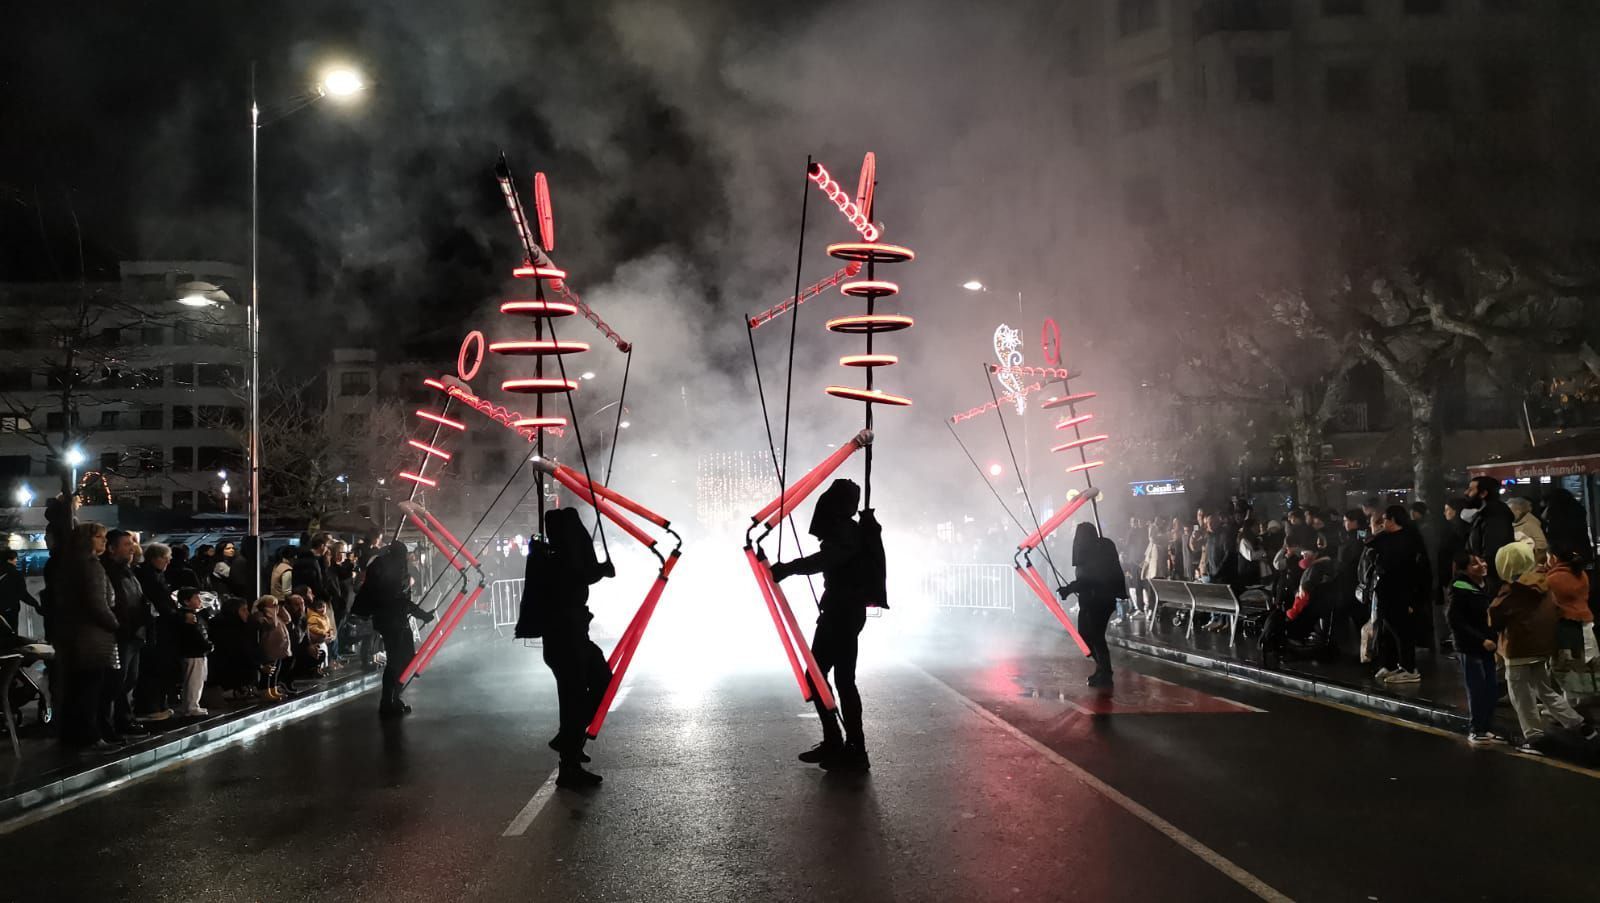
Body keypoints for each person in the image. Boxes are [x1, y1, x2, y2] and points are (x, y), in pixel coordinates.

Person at [770, 478, 877, 770]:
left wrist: (788, 569)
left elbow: (827, 559)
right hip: (843, 612)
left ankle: (845, 746)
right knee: (837, 679)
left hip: (841, 614)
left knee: (822, 678)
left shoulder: (845, 530)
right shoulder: (850, 529)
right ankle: (847, 747)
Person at [526, 508, 617, 787]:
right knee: (574, 700)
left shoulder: (554, 555)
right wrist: (602, 569)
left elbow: (580, 572)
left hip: (573, 638)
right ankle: (569, 761)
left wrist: (598, 570)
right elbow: (578, 575)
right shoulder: (556, 558)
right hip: (566, 640)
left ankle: (569, 741)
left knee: (599, 684)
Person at [1489, 542, 1593, 755]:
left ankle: (1533, 737)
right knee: (1544, 689)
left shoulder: (1512, 590)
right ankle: (1577, 723)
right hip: (1541, 647)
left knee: (1520, 694)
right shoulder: (1544, 583)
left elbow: (1494, 617)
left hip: (1517, 649)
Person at [57, 522, 122, 750]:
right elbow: (97, 603)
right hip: (92, 639)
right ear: (87, 540)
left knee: (79, 689)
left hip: (78, 636)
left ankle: (75, 735)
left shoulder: (72, 564)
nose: (104, 541)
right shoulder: (91, 565)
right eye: (99, 537)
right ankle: (89, 736)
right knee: (89, 690)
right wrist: (115, 624)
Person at [353, 539, 434, 717]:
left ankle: (393, 699)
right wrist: (422, 615)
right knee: (398, 662)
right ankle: (389, 701)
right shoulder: (394, 568)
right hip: (394, 621)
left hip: (387, 620)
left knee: (401, 660)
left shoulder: (381, 566)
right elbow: (400, 599)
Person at [1056, 522, 1127, 688]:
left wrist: (1068, 589)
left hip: (1098, 600)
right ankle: (1101, 669)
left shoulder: (1095, 550)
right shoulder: (1102, 546)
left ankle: (1106, 672)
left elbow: (1088, 580)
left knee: (1095, 637)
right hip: (1095, 600)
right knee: (1087, 636)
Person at [1446, 552, 1504, 745]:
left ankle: (1486, 728)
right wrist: (1481, 640)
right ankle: (1477, 728)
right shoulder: (1459, 588)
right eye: (1474, 564)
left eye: (1481, 561)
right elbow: (1455, 620)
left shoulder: (1484, 586)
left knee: (1490, 688)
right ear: (1464, 570)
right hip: (1471, 646)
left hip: (1488, 645)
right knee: (1477, 688)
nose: (1482, 565)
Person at [1369, 505, 1430, 684]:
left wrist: (1414, 598)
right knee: (1386, 629)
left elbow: (1407, 569)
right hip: (1387, 590)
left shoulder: (1407, 540)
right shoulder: (1389, 538)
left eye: (1385, 519)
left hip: (1401, 591)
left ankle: (1409, 668)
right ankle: (1389, 664)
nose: (1383, 523)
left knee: (1401, 630)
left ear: (1393, 520)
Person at [101, 529, 151, 737]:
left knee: (129, 679)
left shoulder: (128, 571)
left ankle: (124, 719)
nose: (131, 548)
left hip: (135, 633)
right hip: (122, 633)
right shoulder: (108, 571)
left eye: (132, 544)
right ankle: (114, 722)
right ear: (111, 548)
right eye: (126, 544)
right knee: (116, 682)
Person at [133, 541, 177, 721]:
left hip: (156, 628)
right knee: (151, 669)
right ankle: (149, 707)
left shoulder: (152, 575)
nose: (168, 563)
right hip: (153, 629)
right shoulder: (150, 577)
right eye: (166, 559)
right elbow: (160, 602)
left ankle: (156, 704)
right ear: (156, 558)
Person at [1544, 545, 1594, 683]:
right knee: (1583, 661)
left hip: (1564, 625)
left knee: (1563, 665)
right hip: (1585, 622)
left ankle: (1566, 700)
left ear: (1554, 558)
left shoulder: (1552, 579)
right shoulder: (1581, 573)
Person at [1464, 477, 1515, 596]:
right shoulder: (1484, 515)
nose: (1466, 493)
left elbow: (1493, 554)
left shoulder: (1495, 517)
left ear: (1483, 493)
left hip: (1491, 584)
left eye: (1471, 490)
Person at [173, 587, 213, 717]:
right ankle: (192, 706)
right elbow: (196, 635)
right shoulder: (189, 617)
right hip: (194, 652)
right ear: (186, 601)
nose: (199, 600)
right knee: (194, 681)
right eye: (196, 598)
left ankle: (188, 705)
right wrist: (206, 645)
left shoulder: (191, 615)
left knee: (192, 680)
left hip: (194, 652)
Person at [210, 598, 258, 700]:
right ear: (233, 611)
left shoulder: (242, 626)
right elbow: (238, 649)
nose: (247, 613)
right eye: (243, 610)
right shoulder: (226, 628)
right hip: (229, 670)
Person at [251, 596, 290, 702]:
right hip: (269, 648)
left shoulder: (277, 614)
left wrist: (280, 608)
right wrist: (270, 611)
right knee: (269, 671)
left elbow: (287, 619)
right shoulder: (261, 615)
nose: (275, 607)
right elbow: (270, 624)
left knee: (276, 670)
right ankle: (265, 690)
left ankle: (273, 688)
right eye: (273, 604)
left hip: (279, 648)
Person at [1541, 486, 1591, 559]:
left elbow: (1543, 518)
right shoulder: (1577, 507)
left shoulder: (1556, 510)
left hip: (1563, 548)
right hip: (1580, 546)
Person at [0, 548, 40, 634]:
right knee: (10, 636)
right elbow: (22, 594)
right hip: (9, 611)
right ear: (9, 560)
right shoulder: (15, 574)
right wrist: (35, 604)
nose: (17, 560)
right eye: (15, 558)